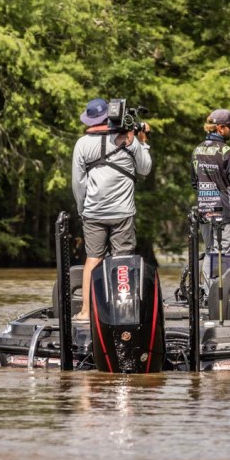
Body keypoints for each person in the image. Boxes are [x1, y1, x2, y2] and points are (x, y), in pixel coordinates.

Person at [71, 97, 152, 321]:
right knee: (122, 262)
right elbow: (145, 169)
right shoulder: (128, 138)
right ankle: (122, 314)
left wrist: (82, 208)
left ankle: (86, 312)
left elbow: (78, 182)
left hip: (93, 213)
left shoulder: (82, 144)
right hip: (122, 213)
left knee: (92, 259)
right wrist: (143, 141)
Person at [190, 108, 230, 284]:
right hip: (225, 213)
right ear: (220, 128)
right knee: (222, 256)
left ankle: (207, 293)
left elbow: (194, 183)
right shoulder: (228, 152)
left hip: (204, 212)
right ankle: (214, 295)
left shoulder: (197, 150)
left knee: (211, 252)